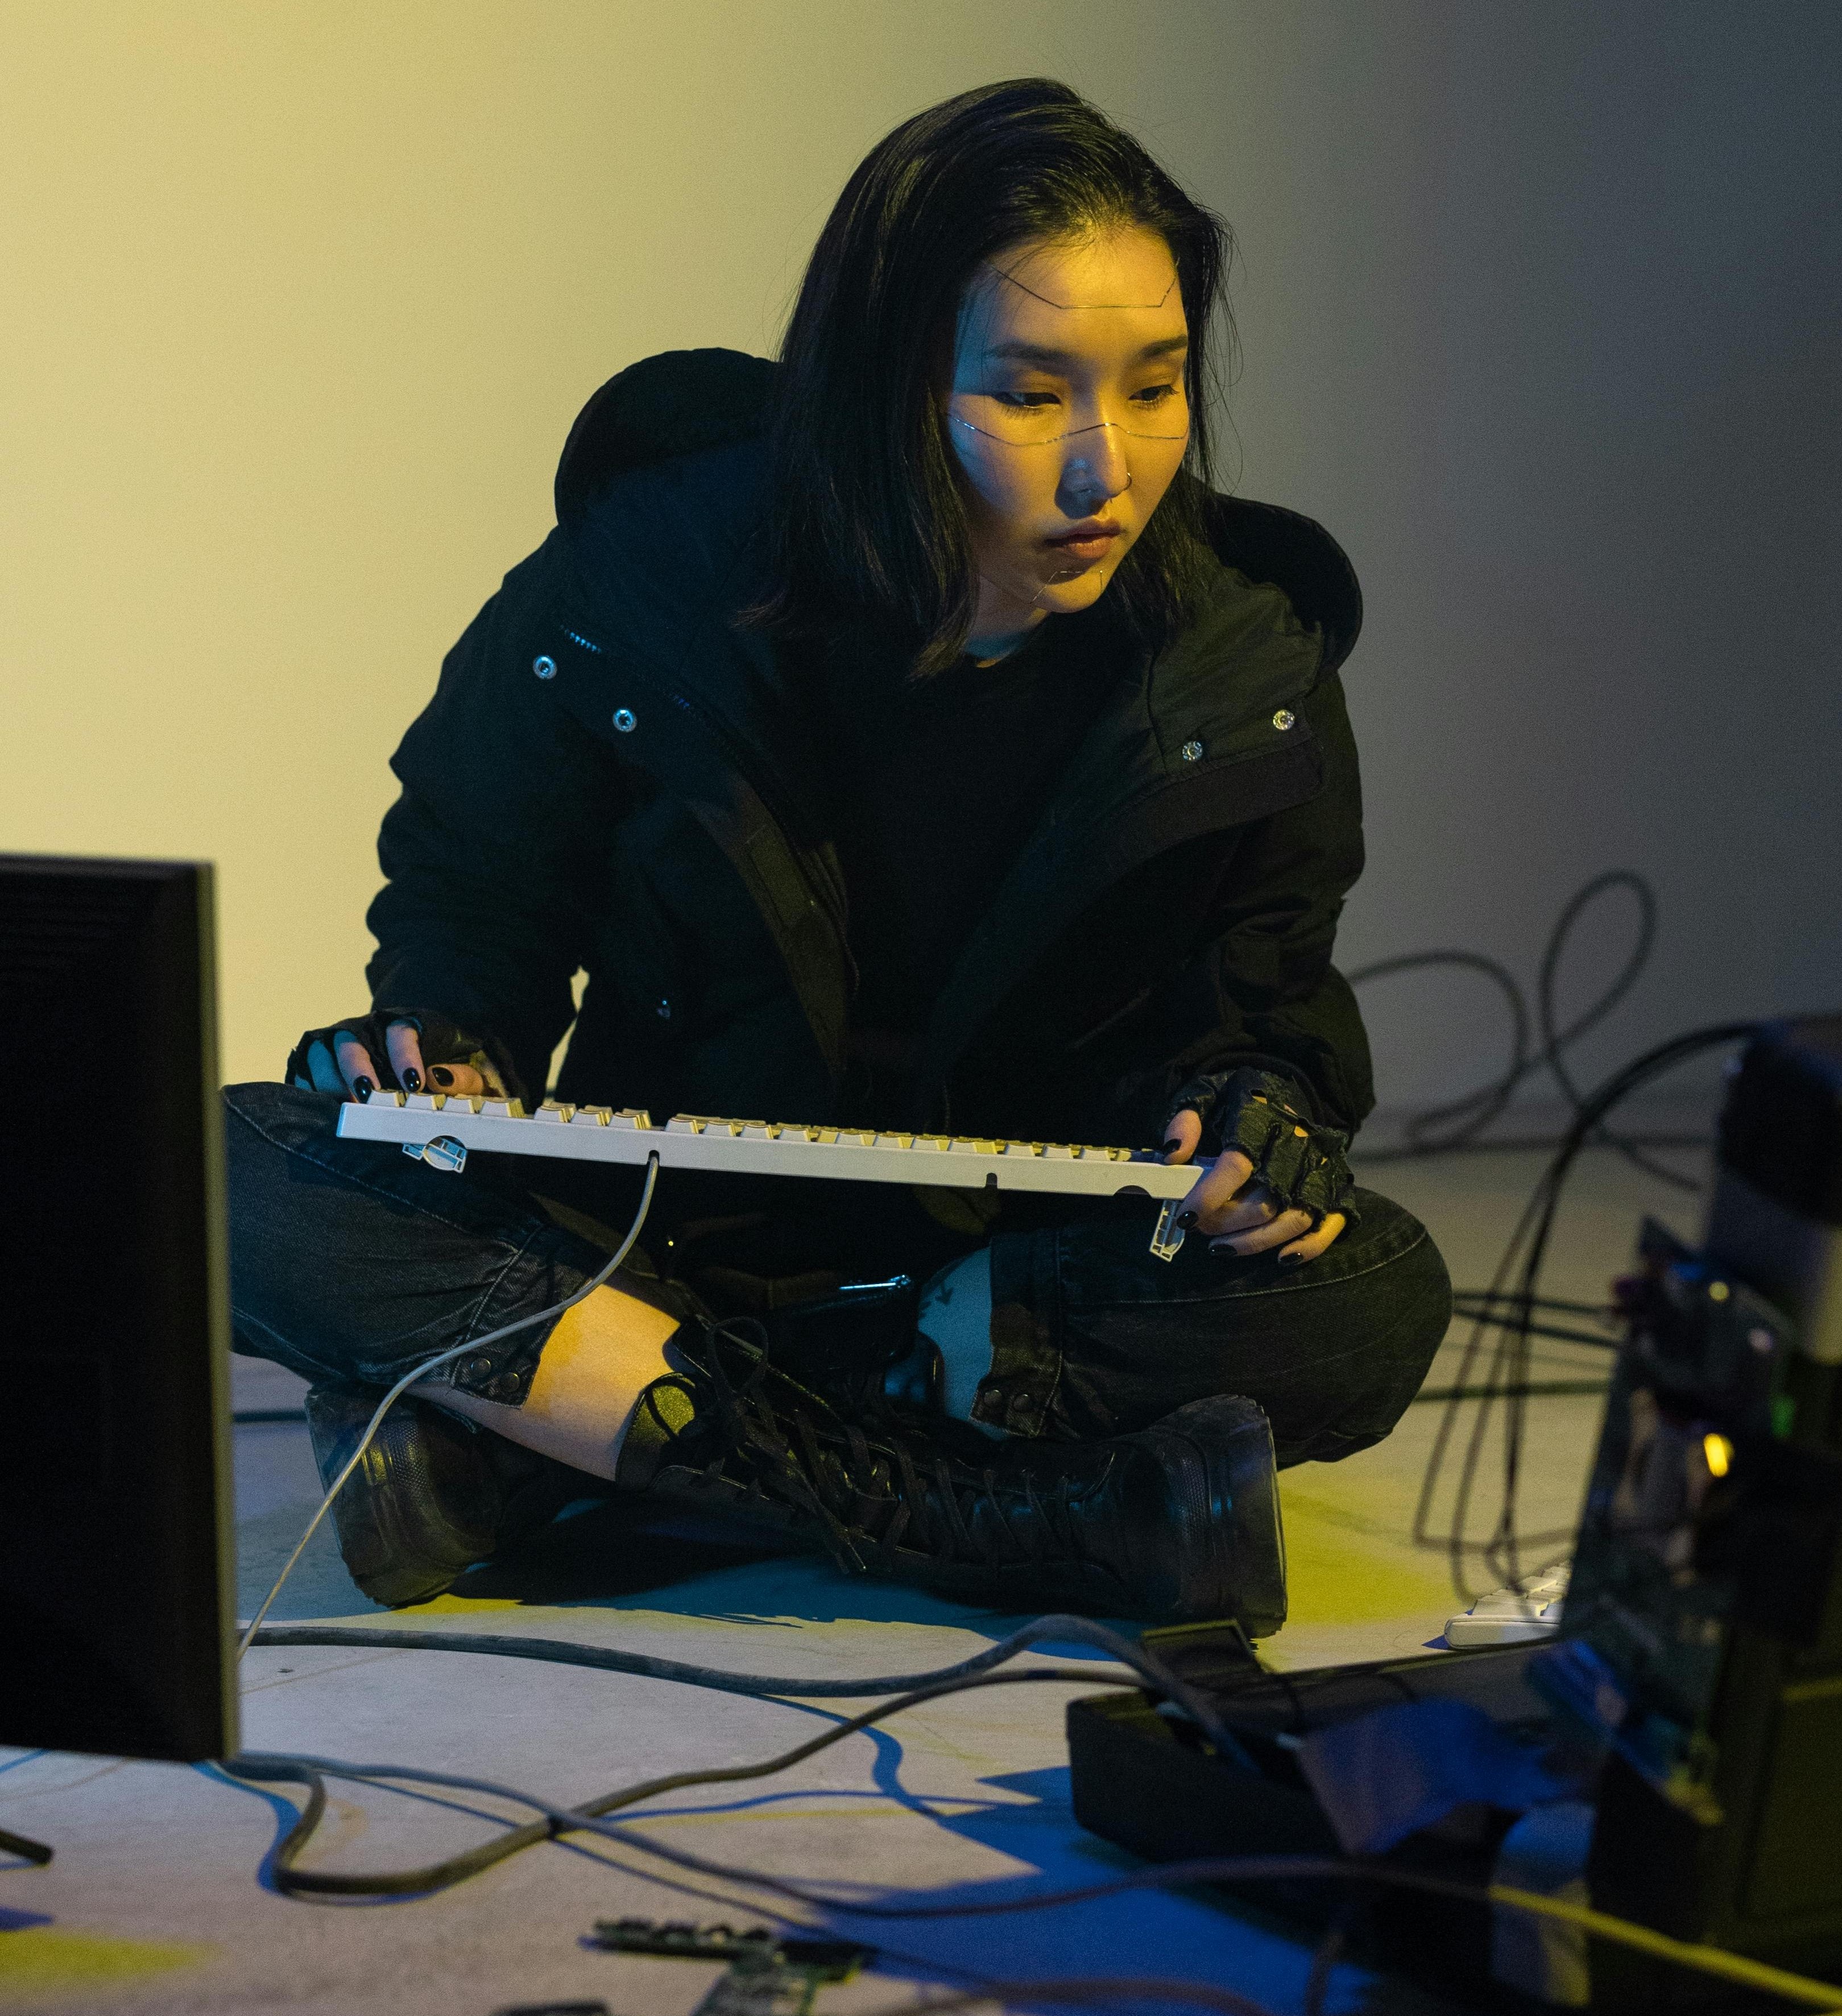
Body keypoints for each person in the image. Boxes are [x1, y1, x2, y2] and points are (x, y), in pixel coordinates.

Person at [226, 78, 1452, 1636]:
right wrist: (441, 1049)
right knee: (234, 1165)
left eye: (1153, 387)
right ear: (883, 387)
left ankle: (552, 1453)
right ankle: (1012, 1513)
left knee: (1374, 1291)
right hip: (648, 1238)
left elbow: (1252, 1007)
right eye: (1027, 395)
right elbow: (478, 891)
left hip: (1008, 1281)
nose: (1106, 471)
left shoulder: (1239, 663)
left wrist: (1247, 1119)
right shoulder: (648, 572)